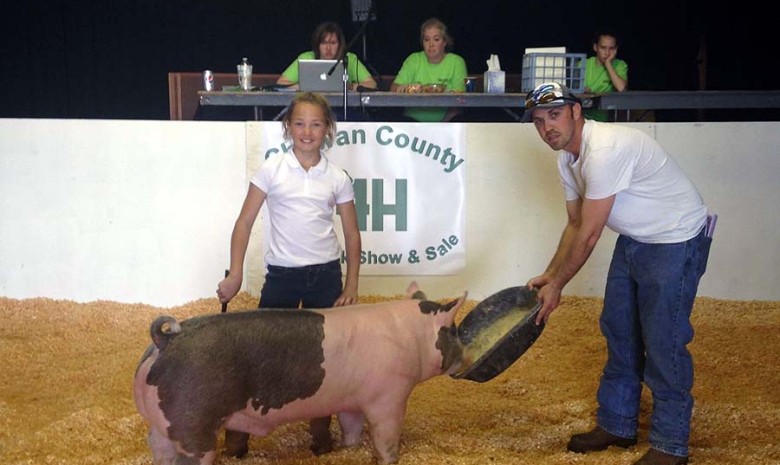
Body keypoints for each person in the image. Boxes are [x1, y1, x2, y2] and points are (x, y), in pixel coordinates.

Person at [523, 82, 712, 465]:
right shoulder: (567, 159)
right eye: (539, 121)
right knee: (619, 327)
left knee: (664, 339)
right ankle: (618, 423)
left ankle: (670, 444)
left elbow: (591, 235)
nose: (547, 128)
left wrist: (559, 285)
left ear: (577, 112)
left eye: (555, 116)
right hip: (636, 238)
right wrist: (550, 274)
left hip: (675, 237)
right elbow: (575, 224)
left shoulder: (604, 150)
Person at [216, 91, 362, 457]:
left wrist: (351, 284)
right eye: (299, 123)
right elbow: (244, 222)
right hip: (282, 276)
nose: (307, 131)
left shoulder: (337, 178)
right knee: (261, 351)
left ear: (328, 129)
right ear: (287, 127)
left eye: (315, 124)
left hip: (325, 275)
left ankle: (319, 429)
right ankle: (240, 432)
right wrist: (235, 274)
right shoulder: (271, 170)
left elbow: (351, 233)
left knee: (325, 356)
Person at [390, 17, 468, 122]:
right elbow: (393, 87)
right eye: (426, 39)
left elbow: (459, 101)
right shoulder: (413, 59)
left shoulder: (457, 62)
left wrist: (441, 127)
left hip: (447, 124)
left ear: (445, 42)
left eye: (436, 39)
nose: (431, 44)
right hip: (412, 123)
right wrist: (402, 88)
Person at [277, 21, 377, 91]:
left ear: (340, 44)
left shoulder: (350, 59)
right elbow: (281, 83)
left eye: (333, 43)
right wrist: (302, 87)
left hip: (343, 107)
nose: (328, 48)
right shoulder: (306, 58)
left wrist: (350, 86)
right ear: (317, 44)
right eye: (324, 43)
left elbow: (372, 84)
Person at [584, 30, 628, 122]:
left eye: (611, 48)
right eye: (603, 48)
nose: (607, 53)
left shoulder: (620, 65)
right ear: (595, 47)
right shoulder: (583, 64)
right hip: (582, 118)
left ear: (616, 49)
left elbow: (622, 88)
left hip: (605, 120)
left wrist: (608, 64)